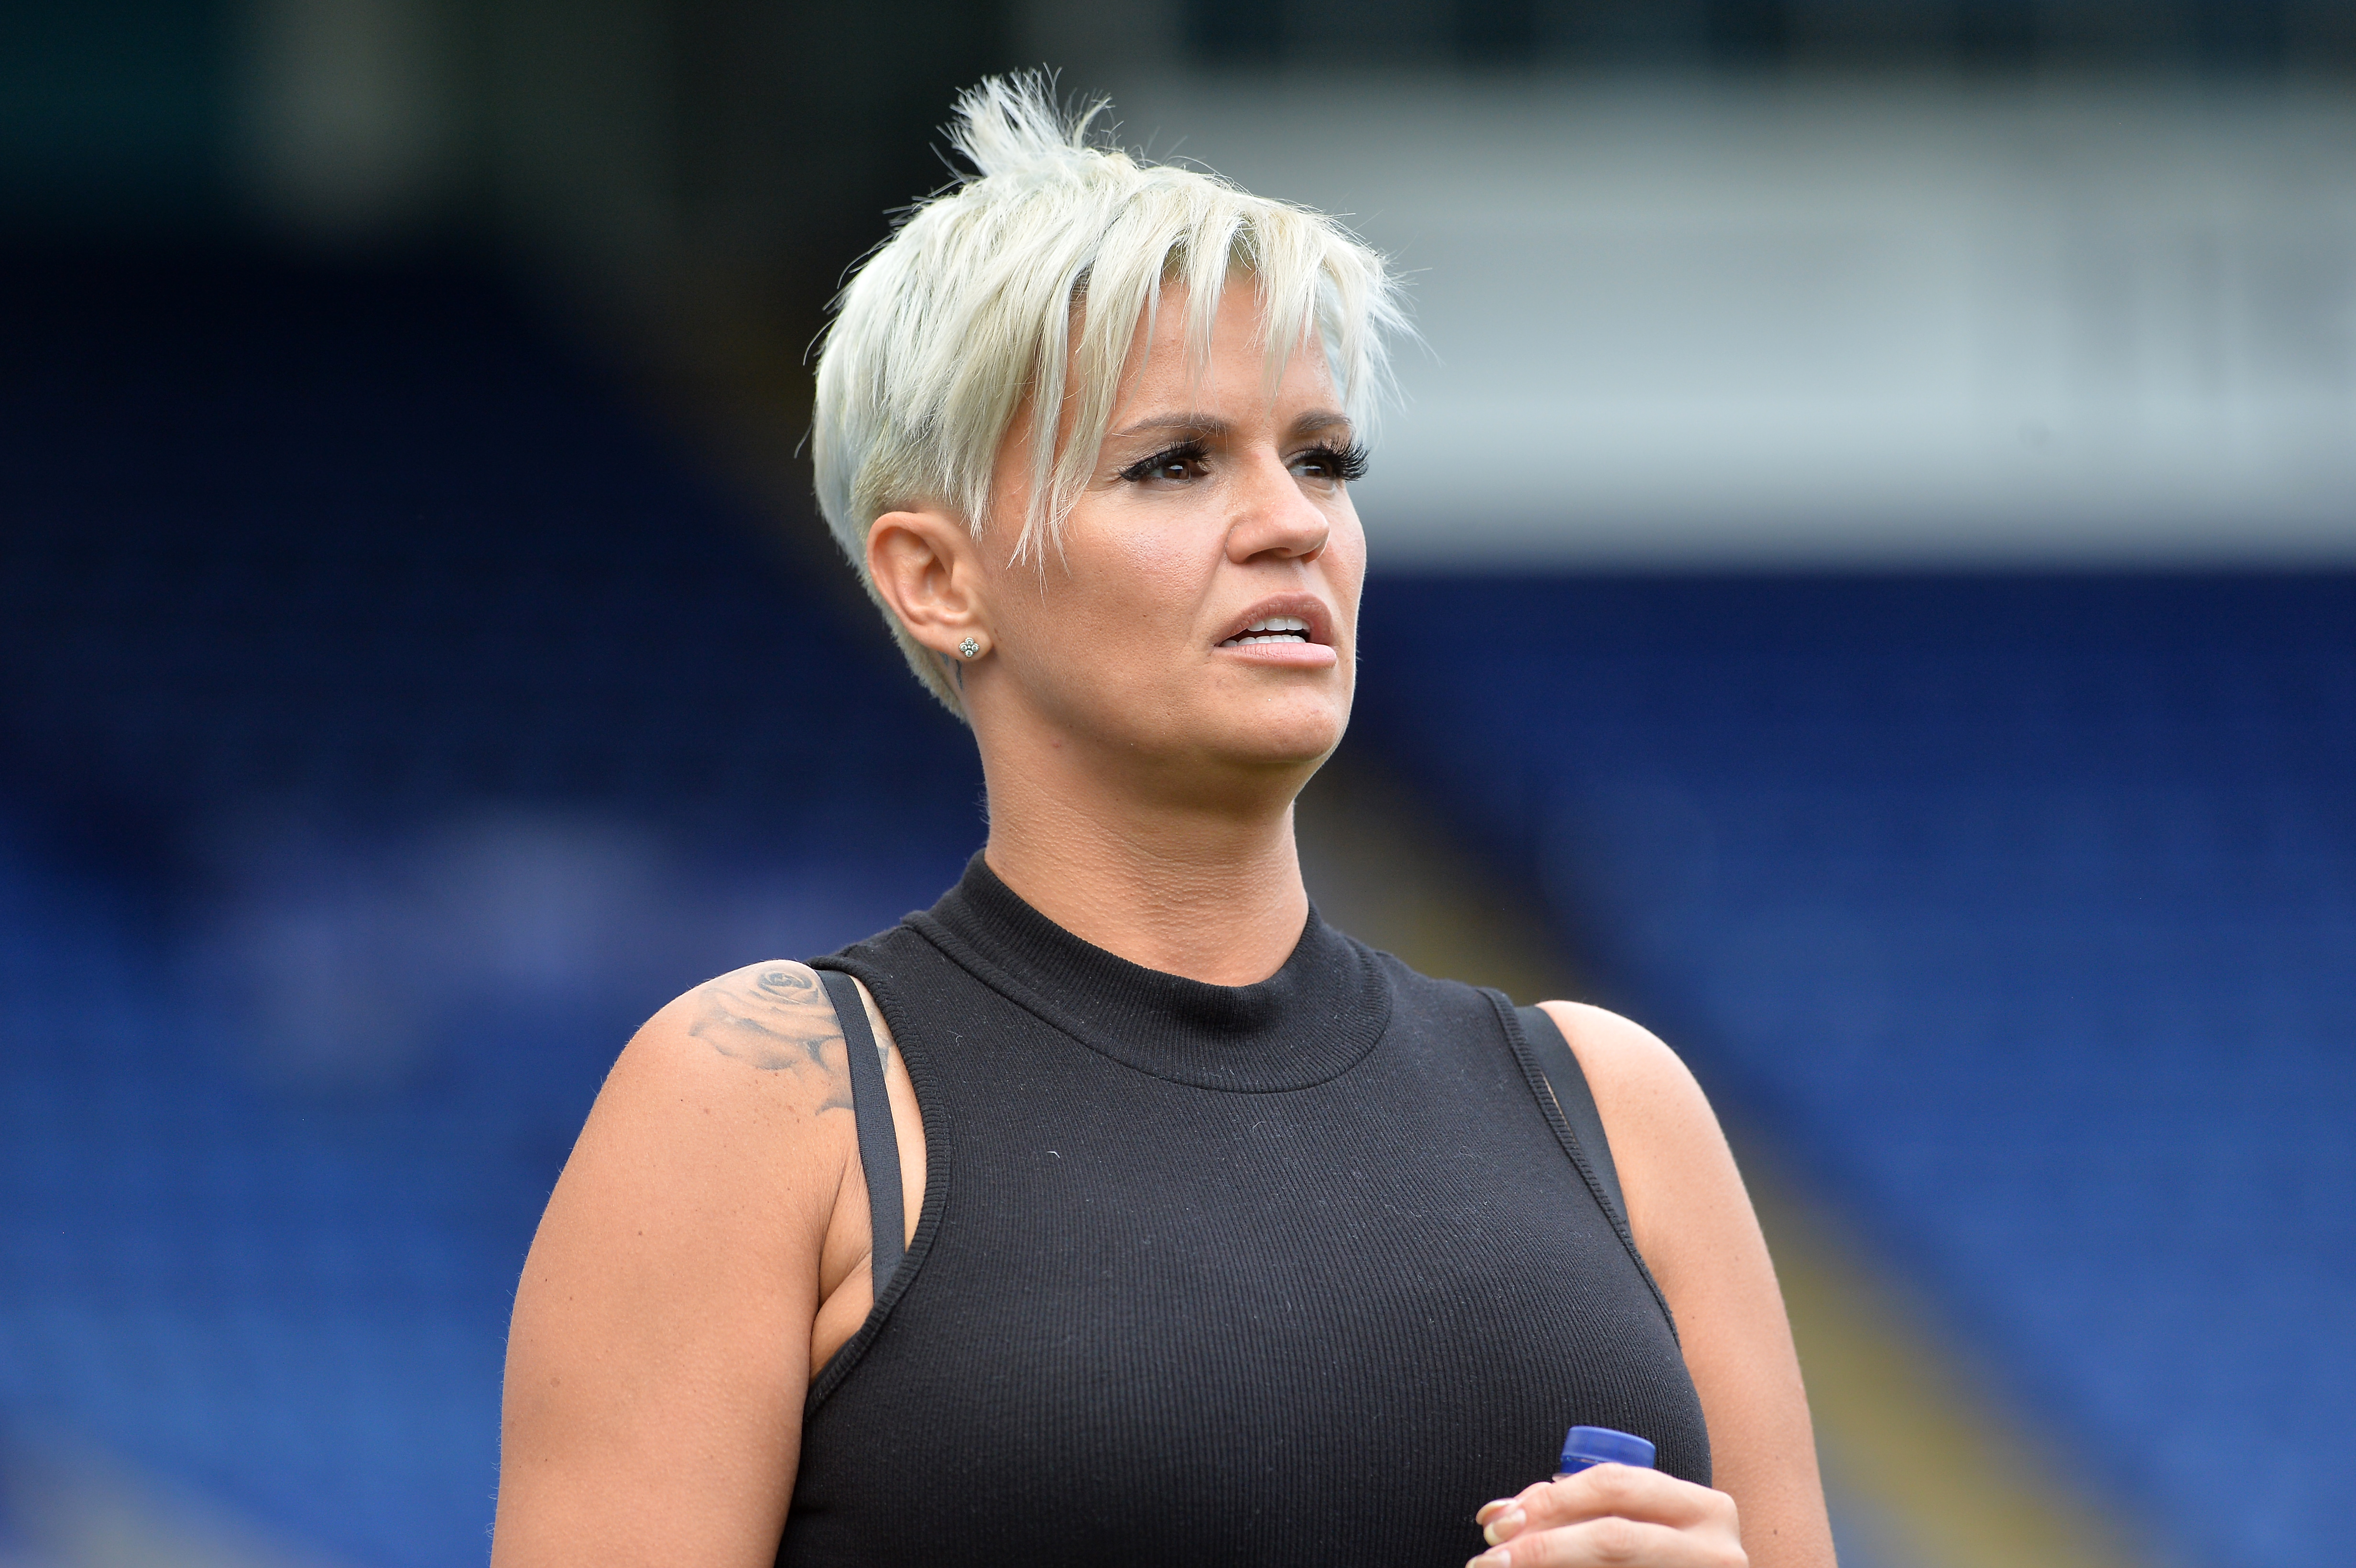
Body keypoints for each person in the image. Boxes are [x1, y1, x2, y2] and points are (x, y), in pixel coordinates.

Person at [490, 74, 1836, 1568]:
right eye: (1175, 463)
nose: (1293, 522)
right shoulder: (764, 1106)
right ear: (937, 577)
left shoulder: (1615, 1109)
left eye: (1323, 459)